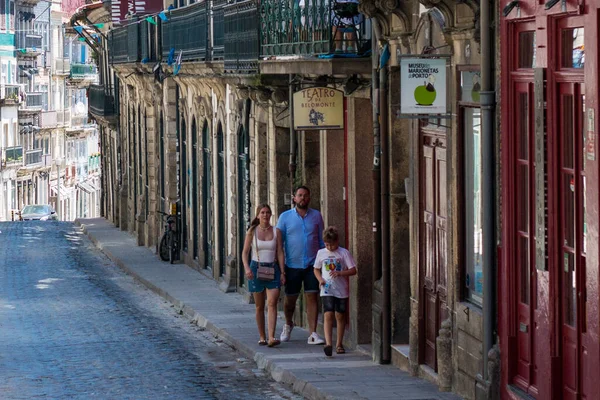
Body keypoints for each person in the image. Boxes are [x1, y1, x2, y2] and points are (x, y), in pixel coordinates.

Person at [277, 186, 326, 345]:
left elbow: (320, 241)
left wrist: (322, 265)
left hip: (312, 265)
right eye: (300, 195)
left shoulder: (317, 216)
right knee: (290, 299)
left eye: (305, 195)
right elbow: (279, 245)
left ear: (309, 198)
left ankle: (312, 333)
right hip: (292, 265)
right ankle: (288, 323)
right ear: (294, 198)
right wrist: (282, 270)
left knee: (312, 297)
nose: (302, 198)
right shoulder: (284, 217)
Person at [242, 204, 286, 347]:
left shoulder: (276, 232)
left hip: (273, 270)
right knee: (259, 306)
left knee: (272, 303)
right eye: (262, 213)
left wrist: (282, 271)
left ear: (271, 214)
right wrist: (247, 268)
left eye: (267, 212)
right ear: (257, 215)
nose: (265, 215)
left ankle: (272, 337)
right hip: (256, 269)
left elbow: (280, 252)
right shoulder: (252, 232)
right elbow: (245, 253)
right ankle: (262, 336)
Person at [313, 226, 357, 356]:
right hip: (327, 288)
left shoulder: (344, 253)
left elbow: (353, 270)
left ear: (337, 242)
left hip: (341, 289)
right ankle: (328, 343)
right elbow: (316, 269)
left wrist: (341, 273)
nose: (330, 247)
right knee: (328, 313)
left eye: (332, 245)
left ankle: (339, 343)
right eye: (327, 244)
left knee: (340, 315)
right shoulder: (321, 253)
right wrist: (320, 279)